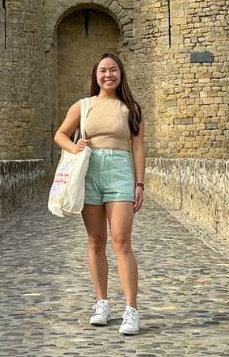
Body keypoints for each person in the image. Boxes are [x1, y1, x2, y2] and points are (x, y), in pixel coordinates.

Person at [54, 52, 145, 336]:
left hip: (119, 170)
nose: (108, 75)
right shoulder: (83, 106)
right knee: (95, 241)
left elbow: (139, 148)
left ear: (121, 74)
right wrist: (74, 147)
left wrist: (139, 183)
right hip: (89, 171)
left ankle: (131, 310)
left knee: (122, 240)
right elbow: (60, 134)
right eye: (103, 70)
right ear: (96, 75)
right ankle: (102, 303)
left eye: (113, 70)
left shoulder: (131, 108)